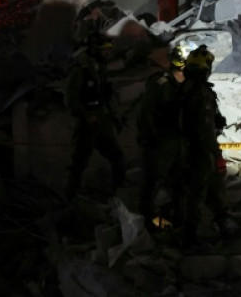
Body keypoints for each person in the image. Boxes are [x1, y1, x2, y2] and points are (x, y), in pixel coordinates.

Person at [178, 45, 233, 248]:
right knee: (198, 192)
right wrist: (217, 155)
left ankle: (222, 221)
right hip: (200, 151)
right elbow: (205, 129)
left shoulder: (184, 88)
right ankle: (189, 238)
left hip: (188, 148)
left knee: (211, 187)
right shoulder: (201, 93)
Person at [63, 32, 126, 200]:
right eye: (104, 50)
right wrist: (85, 116)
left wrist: (113, 117)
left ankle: (118, 192)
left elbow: (104, 96)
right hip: (86, 122)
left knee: (116, 156)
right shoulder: (80, 70)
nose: (107, 53)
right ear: (94, 50)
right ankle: (69, 198)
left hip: (101, 118)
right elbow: (70, 100)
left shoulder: (100, 67)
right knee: (79, 162)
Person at [137, 44, 187, 232]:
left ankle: (177, 219)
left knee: (179, 181)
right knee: (152, 181)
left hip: (180, 142)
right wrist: (148, 137)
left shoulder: (188, 85)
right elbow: (145, 112)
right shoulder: (160, 84)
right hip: (161, 141)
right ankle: (147, 221)